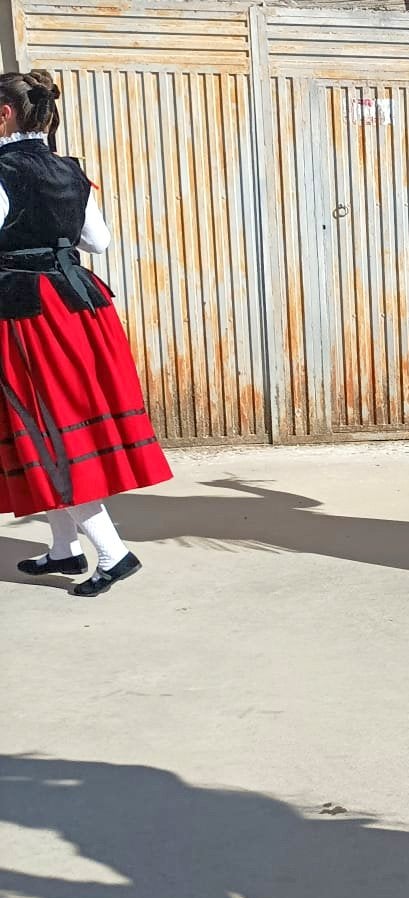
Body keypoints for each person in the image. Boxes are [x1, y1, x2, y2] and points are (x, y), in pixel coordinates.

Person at [0, 70, 171, 596]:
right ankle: (63, 550)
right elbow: (99, 241)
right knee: (58, 426)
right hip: (77, 306)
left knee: (45, 431)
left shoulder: (0, 171)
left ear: (4, 113)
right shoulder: (69, 170)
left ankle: (113, 554)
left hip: (25, 315)